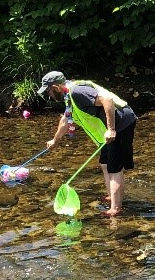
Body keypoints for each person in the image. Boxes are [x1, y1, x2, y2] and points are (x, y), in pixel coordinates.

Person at [39, 71, 137, 217]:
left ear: (56, 87)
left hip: (121, 123)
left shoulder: (78, 92)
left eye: (49, 91)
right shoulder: (69, 96)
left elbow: (107, 99)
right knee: (105, 163)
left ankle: (115, 209)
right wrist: (55, 140)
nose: (49, 95)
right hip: (111, 127)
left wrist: (111, 129)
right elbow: (66, 119)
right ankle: (111, 196)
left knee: (114, 168)